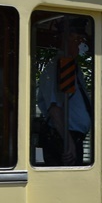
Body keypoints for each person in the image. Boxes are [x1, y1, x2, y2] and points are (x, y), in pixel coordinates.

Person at [37, 18, 92, 165]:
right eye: (77, 39)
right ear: (66, 40)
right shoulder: (58, 66)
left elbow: (86, 106)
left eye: (82, 39)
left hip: (72, 138)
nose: (81, 43)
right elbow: (55, 109)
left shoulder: (74, 69)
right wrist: (68, 142)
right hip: (62, 140)